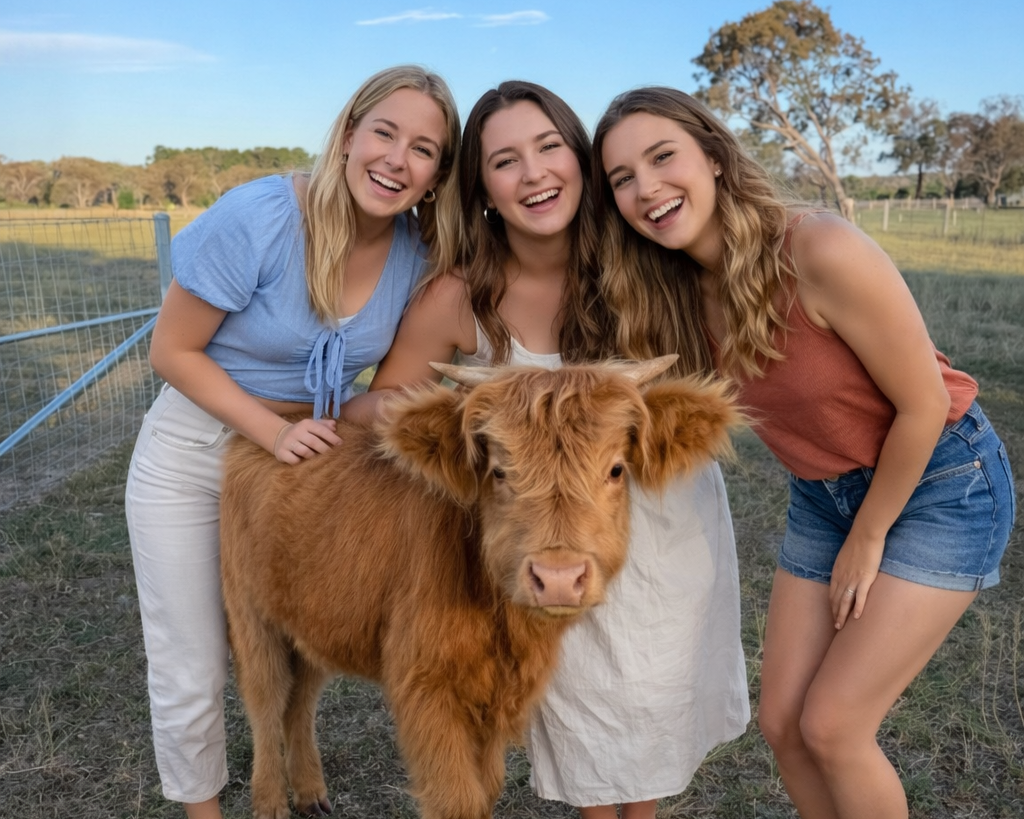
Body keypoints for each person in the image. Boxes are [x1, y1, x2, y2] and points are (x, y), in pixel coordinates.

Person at [593, 86, 1016, 819]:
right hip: (823, 494)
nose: (646, 188)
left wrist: (869, 534)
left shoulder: (817, 247)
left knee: (835, 726)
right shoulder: (673, 295)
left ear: (715, 158)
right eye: (621, 179)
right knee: (784, 725)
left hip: (941, 479)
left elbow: (922, 404)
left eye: (662, 157)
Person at [343, 80, 749, 819]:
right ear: (483, 189)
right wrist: (477, 408)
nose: (533, 173)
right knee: (586, 725)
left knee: (653, 711)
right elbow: (370, 409)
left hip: (655, 523)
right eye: (504, 160)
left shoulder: (644, 262)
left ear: (581, 160)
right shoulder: (457, 297)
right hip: (539, 534)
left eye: (549, 147)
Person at [124, 65, 462, 819]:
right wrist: (272, 429)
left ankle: (297, 760)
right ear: (347, 135)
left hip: (311, 454)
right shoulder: (260, 216)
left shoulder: (417, 251)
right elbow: (171, 351)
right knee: (195, 659)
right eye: (383, 132)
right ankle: (205, 810)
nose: (396, 159)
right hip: (203, 445)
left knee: (299, 633)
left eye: (424, 148)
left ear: (438, 174)